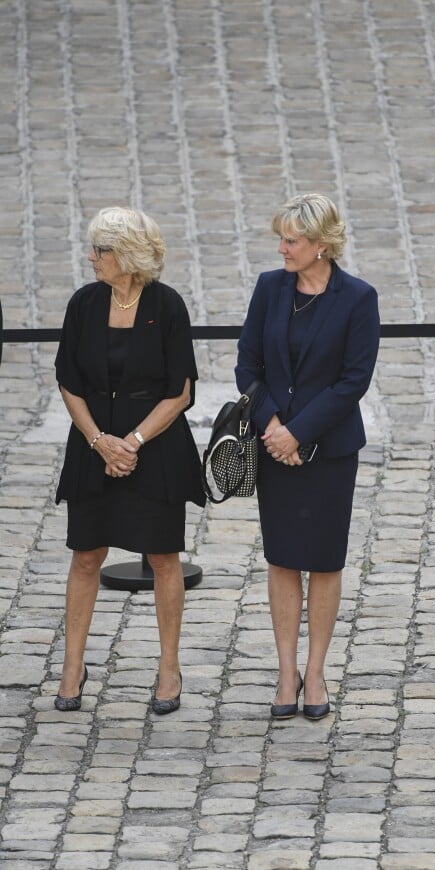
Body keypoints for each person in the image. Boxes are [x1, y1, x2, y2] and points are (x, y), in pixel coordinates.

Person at [54, 206, 205, 715]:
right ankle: (73, 666)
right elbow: (68, 382)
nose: (92, 258)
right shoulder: (84, 303)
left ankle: (168, 668)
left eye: (101, 250)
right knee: (85, 556)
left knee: (163, 558)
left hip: (155, 449)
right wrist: (101, 441)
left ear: (129, 256)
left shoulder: (167, 305)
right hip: (92, 446)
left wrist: (132, 441)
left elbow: (180, 391)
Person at [235, 193, 380, 720]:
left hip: (330, 452)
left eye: (291, 240)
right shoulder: (270, 288)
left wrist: (299, 432)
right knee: (281, 557)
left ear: (322, 245)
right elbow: (247, 362)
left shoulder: (358, 298)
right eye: (282, 238)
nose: (282, 248)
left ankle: (316, 672)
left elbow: (352, 381)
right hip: (273, 444)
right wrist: (273, 426)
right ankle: (285, 672)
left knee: (322, 559)